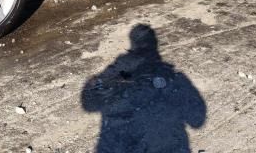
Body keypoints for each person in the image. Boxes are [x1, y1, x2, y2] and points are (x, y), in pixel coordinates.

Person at [81, 24, 206, 152]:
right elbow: (197, 119)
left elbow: (89, 103)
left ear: (133, 45)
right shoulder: (174, 78)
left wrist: (97, 82)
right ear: (155, 45)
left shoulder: (114, 73)